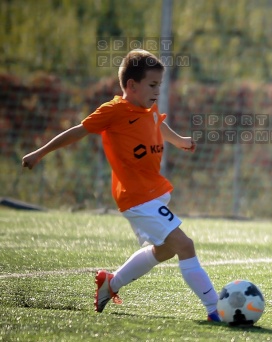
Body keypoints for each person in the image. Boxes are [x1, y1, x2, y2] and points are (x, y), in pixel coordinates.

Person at [21, 49, 221, 322]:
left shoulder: (147, 107)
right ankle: (216, 308)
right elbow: (77, 131)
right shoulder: (113, 111)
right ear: (131, 86)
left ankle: (110, 283)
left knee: (165, 249)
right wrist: (39, 153)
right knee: (185, 245)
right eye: (153, 85)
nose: (157, 91)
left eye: (159, 85)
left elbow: (157, 124)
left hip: (154, 192)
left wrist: (180, 141)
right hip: (137, 197)